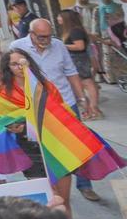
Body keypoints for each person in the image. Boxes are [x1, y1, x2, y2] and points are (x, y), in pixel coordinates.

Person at [10, 18, 97, 201]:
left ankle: (85, 185)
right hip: (38, 107)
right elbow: (10, 76)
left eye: (49, 36)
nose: (46, 40)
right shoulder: (17, 47)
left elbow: (71, 72)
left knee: (77, 146)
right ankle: (55, 188)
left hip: (65, 103)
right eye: (41, 37)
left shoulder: (58, 46)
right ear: (31, 34)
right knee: (47, 147)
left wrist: (82, 98)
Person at [59, 9, 102, 119]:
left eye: (59, 17)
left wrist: (62, 46)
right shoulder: (71, 31)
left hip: (78, 59)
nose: (58, 19)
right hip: (76, 59)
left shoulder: (75, 31)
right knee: (82, 83)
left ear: (66, 18)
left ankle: (93, 109)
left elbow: (80, 46)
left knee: (87, 82)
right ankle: (90, 109)